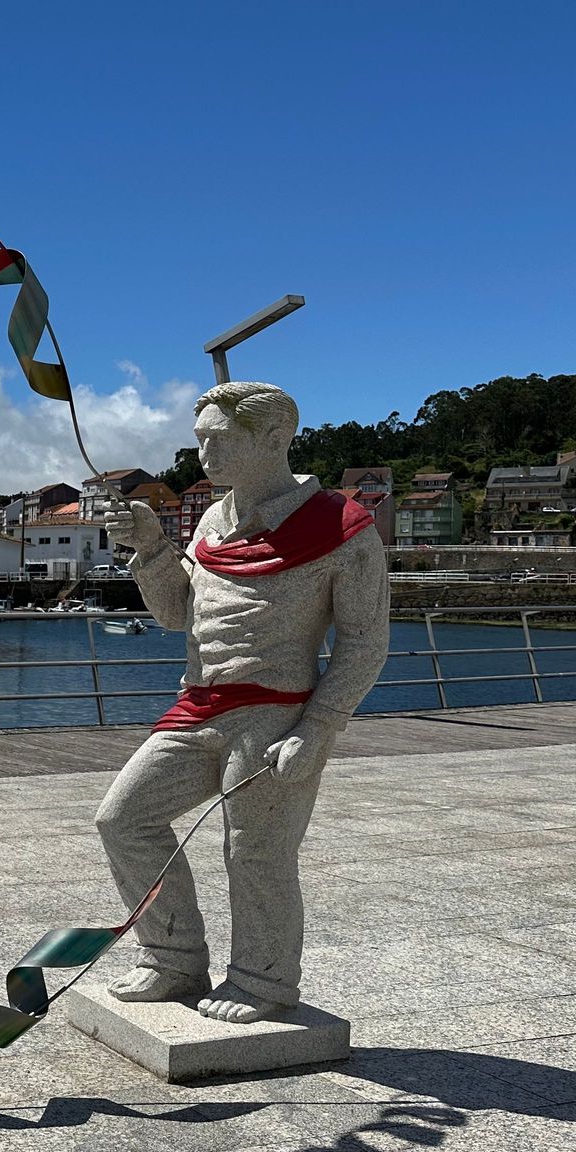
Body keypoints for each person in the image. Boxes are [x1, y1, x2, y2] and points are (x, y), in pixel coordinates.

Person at [98, 381, 388, 1023]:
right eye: (200, 439)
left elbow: (365, 641)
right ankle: (173, 959)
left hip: (276, 712)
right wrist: (151, 548)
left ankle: (264, 980)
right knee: (123, 820)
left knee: (256, 851)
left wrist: (319, 728)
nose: (204, 454)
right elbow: (178, 615)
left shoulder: (341, 528)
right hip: (198, 705)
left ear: (275, 438)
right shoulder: (211, 521)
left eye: (219, 439)